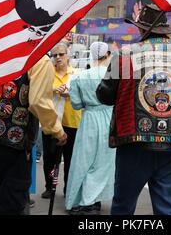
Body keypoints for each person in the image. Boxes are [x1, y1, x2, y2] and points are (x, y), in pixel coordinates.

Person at [96, 3, 171, 215]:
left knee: (123, 207)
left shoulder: (125, 55)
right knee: (167, 210)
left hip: (133, 143)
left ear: (143, 29)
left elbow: (105, 96)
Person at [0, 54, 67, 215]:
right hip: (15, 141)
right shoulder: (39, 59)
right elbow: (38, 102)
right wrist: (57, 130)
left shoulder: (1, 50)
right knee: (11, 197)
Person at [65, 41, 115, 215]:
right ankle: (93, 201)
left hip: (88, 119)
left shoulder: (79, 76)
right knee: (103, 162)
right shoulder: (112, 75)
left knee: (82, 160)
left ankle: (76, 201)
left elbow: (77, 105)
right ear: (108, 55)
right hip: (109, 118)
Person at [41, 41, 81, 199]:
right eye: (54, 55)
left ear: (68, 55)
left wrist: (71, 94)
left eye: (61, 54)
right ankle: (49, 187)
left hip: (72, 121)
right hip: (52, 123)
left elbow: (85, 96)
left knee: (70, 159)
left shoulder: (77, 74)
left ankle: (68, 189)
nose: (58, 58)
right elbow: (40, 94)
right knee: (50, 158)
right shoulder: (47, 73)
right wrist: (52, 90)